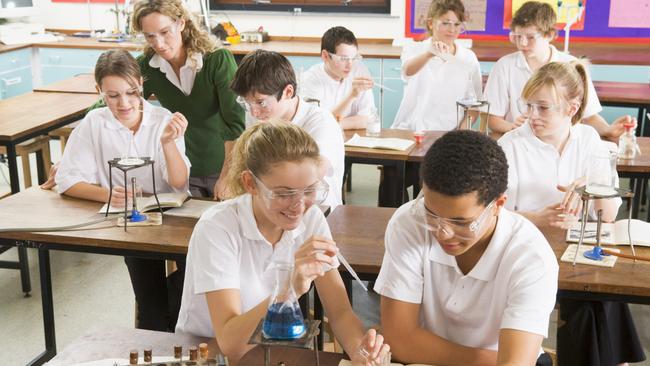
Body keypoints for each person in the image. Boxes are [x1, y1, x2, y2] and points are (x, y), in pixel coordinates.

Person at [176, 121, 390, 365]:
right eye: (283, 193)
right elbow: (229, 344)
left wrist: (361, 351)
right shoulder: (217, 227)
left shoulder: (311, 218)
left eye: (309, 190)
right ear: (250, 183)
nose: (299, 206)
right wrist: (290, 288)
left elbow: (340, 313)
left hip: (269, 349)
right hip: (207, 353)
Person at [498, 60, 645, 366]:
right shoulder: (509, 146)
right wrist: (537, 218)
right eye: (529, 106)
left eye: (543, 108)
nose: (532, 116)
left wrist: (595, 185)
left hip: (577, 252)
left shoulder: (590, 141)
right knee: (590, 305)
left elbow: (607, 216)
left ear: (572, 107)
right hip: (525, 252)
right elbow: (488, 218)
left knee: (597, 299)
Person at [375, 130, 558, 366]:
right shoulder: (409, 222)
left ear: (498, 204)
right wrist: (492, 360)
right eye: (431, 214)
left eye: (461, 222)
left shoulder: (531, 257)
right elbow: (399, 340)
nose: (443, 232)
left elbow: (515, 362)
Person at [55, 49, 191, 331]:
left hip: (174, 221)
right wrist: (108, 194)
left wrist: (167, 143)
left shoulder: (163, 119)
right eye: (113, 95)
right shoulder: (95, 123)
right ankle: (155, 332)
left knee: (192, 287)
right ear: (99, 91)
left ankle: (172, 320)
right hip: (132, 225)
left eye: (131, 92)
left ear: (141, 83)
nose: (125, 103)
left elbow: (178, 183)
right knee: (151, 308)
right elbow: (67, 180)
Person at [132, 0, 245, 199]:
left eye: (165, 32)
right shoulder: (147, 66)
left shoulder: (217, 60)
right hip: (182, 170)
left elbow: (236, 124)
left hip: (224, 166)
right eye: (150, 36)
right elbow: (116, 102)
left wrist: (227, 175)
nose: (158, 44)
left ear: (181, 24)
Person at [484, 1, 634, 140]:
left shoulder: (571, 66)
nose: (522, 43)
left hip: (560, 144)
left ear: (549, 35)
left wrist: (608, 130)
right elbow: (491, 118)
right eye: (517, 37)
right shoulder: (505, 66)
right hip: (520, 142)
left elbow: (589, 116)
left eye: (530, 37)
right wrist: (513, 127)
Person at [230, 49, 345, 209]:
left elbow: (312, 176)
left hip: (316, 212)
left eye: (261, 102)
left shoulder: (321, 122)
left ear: (288, 92)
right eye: (247, 103)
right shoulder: (257, 114)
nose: (254, 112)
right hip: (272, 209)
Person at [392, 0, 482, 131]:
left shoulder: (468, 58)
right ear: (430, 23)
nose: (452, 30)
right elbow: (407, 72)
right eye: (445, 23)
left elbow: (474, 107)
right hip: (411, 130)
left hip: (449, 135)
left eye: (457, 24)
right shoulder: (415, 49)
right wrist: (430, 53)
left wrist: (460, 135)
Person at [300, 26, 376, 130]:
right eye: (344, 58)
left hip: (353, 139)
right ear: (325, 56)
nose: (350, 65)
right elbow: (318, 125)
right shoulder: (311, 79)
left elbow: (368, 119)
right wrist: (352, 96)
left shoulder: (359, 69)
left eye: (354, 58)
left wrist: (337, 124)